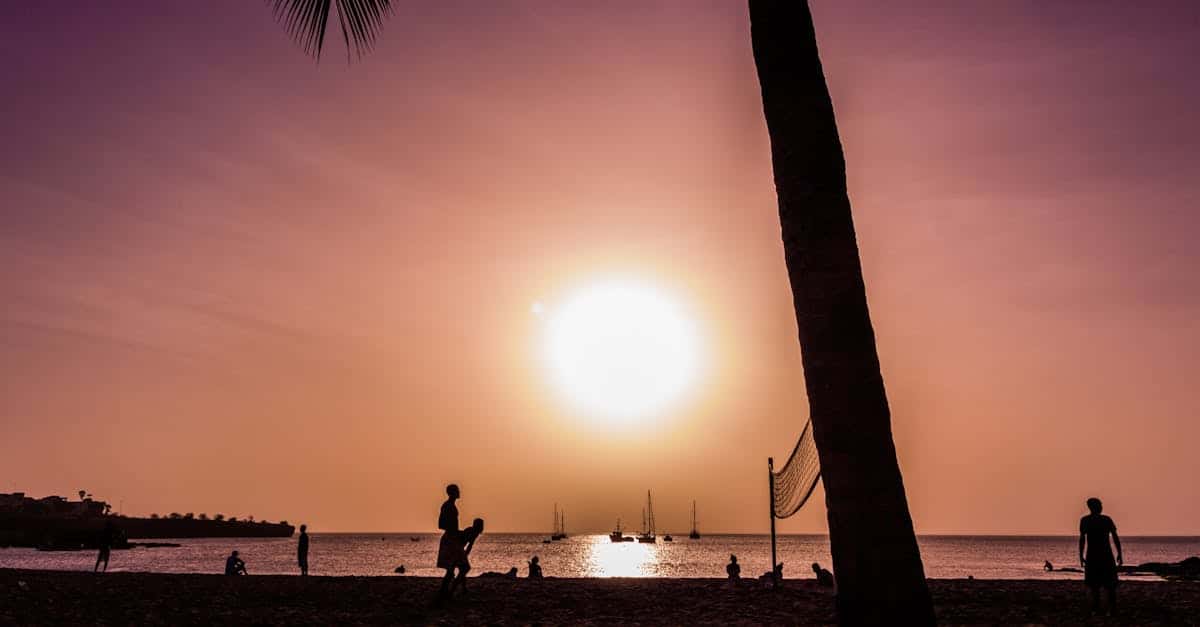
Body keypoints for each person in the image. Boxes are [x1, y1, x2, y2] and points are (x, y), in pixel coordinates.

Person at [1079, 497, 1122, 615]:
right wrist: (1081, 555)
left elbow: (1114, 537)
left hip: (1099, 555)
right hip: (1100, 555)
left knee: (1102, 584)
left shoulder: (1090, 520)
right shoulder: (1098, 520)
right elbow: (1082, 539)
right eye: (1100, 505)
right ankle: (1103, 608)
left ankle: (1105, 609)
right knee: (1100, 584)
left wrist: (1119, 553)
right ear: (1094, 507)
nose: (1101, 507)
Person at [435, 484, 464, 602]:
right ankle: (445, 592)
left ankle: (445, 591)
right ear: (452, 493)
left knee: (452, 567)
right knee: (455, 567)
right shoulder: (447, 506)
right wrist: (453, 530)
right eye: (457, 490)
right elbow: (440, 524)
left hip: (453, 537)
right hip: (450, 539)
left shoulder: (451, 506)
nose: (459, 491)